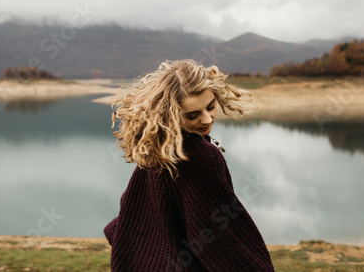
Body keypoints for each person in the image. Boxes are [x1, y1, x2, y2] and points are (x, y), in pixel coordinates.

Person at [104, 59, 274, 271]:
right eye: (192, 115)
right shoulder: (200, 156)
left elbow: (133, 207)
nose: (206, 120)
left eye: (211, 107)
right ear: (170, 114)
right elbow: (219, 235)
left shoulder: (159, 145)